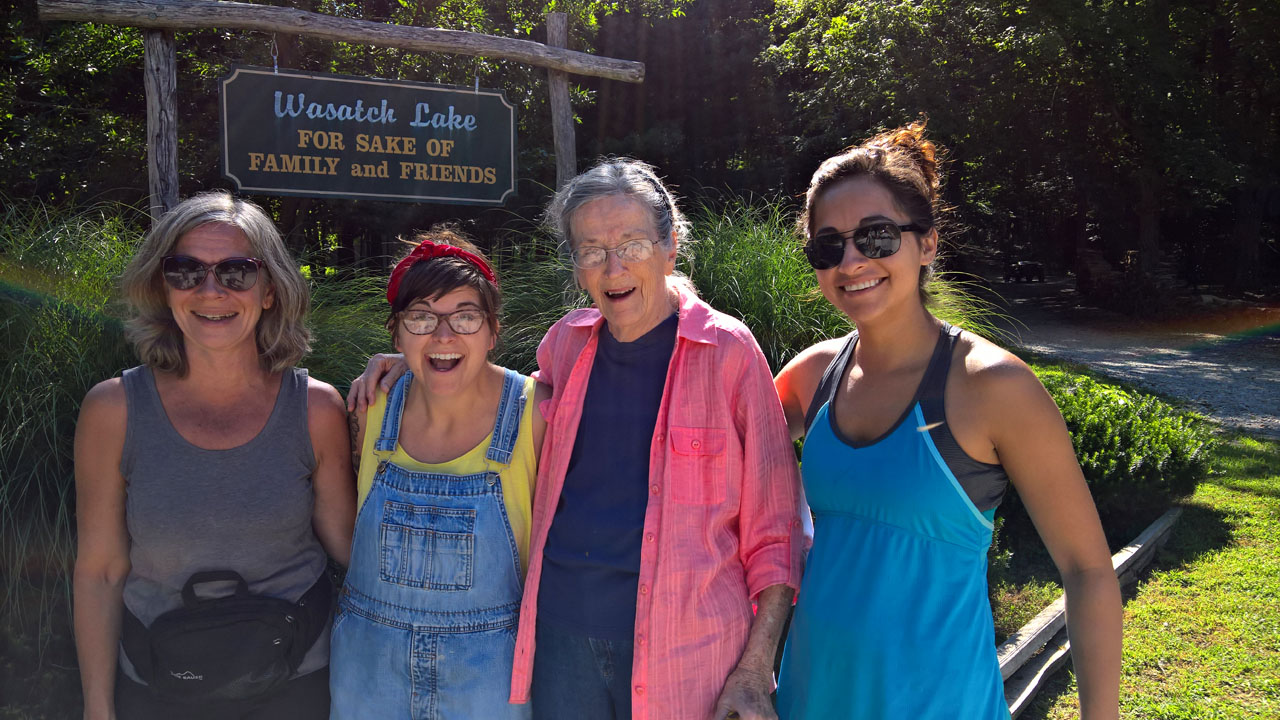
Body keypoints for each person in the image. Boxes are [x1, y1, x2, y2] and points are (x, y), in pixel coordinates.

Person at [350, 159, 808, 720]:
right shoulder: (566, 345)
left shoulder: (729, 353)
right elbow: (494, 396)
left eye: (632, 245)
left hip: (689, 650)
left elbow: (776, 531)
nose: (614, 267)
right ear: (577, 267)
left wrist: (755, 671)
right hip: (561, 644)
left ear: (670, 246)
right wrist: (419, 360)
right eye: (592, 251)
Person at [772, 123, 1122, 719]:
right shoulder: (811, 377)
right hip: (808, 701)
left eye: (876, 236)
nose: (851, 261)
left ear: (928, 243)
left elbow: (1087, 570)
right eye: (828, 246)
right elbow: (709, 465)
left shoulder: (993, 386)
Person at [73, 191, 355, 720]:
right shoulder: (113, 411)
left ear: (270, 290)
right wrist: (98, 705)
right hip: (158, 684)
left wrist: (409, 374)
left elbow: (350, 549)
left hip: (292, 681)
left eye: (236, 272)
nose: (210, 290)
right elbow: (100, 571)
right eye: (185, 271)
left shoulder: (315, 409)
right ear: (163, 287)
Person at [329, 229, 549, 719]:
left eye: (466, 316)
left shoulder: (536, 414)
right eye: (421, 317)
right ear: (396, 332)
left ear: (493, 330)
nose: (443, 335)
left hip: (490, 678)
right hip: (368, 671)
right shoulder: (371, 407)